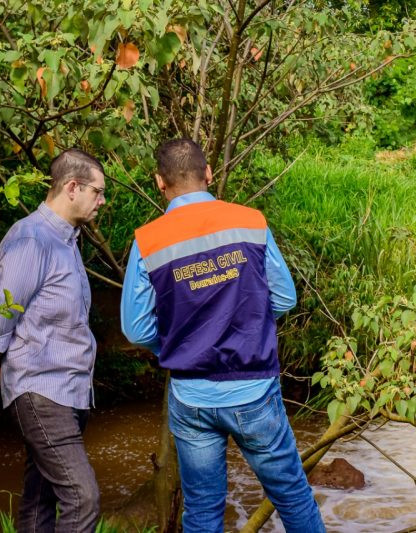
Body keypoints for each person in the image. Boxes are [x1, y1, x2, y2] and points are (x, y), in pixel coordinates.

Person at [121, 139, 325, 533]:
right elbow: (283, 296)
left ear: (159, 182)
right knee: (292, 496)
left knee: (202, 513)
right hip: (254, 389)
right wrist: (249, 325)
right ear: (209, 173)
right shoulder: (250, 222)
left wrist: (177, 346)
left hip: (191, 396)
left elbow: (135, 327)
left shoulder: (148, 239)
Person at [0, 148, 106, 533]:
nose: (102, 200)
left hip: (69, 390)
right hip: (41, 390)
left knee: (40, 499)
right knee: (83, 498)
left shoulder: (67, 239)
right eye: (97, 192)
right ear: (72, 187)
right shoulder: (32, 238)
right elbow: (0, 313)